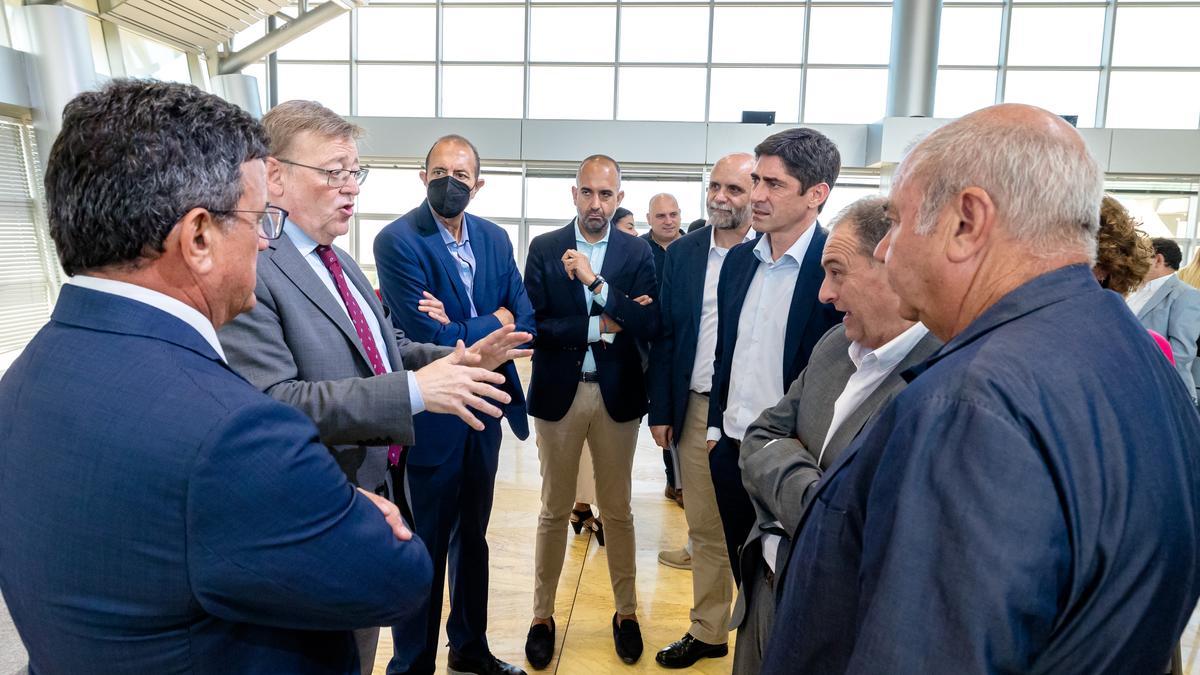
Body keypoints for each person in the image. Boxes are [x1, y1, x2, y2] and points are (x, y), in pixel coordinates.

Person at [0, 79, 433, 674]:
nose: (264, 239)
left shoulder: (24, 379)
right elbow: (399, 579)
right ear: (199, 237)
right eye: (256, 220)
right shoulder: (231, 433)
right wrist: (352, 515)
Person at [762, 103, 1200, 674]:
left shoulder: (971, 406)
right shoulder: (1133, 354)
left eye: (896, 221)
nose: (888, 250)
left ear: (967, 222)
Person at [217, 102, 529, 674]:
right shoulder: (258, 268)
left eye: (354, 173)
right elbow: (275, 401)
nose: (349, 188)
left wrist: (459, 356)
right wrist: (414, 389)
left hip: (373, 493)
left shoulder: (337, 260)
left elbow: (387, 350)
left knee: (355, 648)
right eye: (333, 172)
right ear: (276, 175)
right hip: (317, 508)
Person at [730, 196, 941, 674]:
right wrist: (820, 487)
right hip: (763, 593)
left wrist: (789, 470)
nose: (824, 293)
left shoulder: (937, 380)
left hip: (832, 629)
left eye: (836, 272)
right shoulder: (835, 346)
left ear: (890, 265)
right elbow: (761, 435)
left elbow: (865, 526)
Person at [372, 134, 534, 675]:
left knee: (475, 538)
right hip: (432, 416)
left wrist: (467, 326)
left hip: (484, 410)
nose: (450, 182)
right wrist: (495, 322)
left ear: (478, 184)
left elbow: (525, 320)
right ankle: (412, 663)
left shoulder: (492, 238)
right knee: (426, 542)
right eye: (439, 172)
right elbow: (421, 332)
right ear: (423, 177)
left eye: (461, 175)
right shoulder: (397, 240)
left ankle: (469, 648)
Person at [522, 155, 660, 669]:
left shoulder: (636, 250)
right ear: (573, 194)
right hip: (560, 395)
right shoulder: (544, 248)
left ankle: (626, 612)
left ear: (619, 197)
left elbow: (648, 323)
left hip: (617, 396)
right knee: (554, 511)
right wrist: (598, 327)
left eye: (607, 194)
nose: (596, 203)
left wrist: (599, 286)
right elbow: (534, 326)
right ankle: (541, 616)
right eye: (588, 193)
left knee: (618, 511)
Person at [705, 128, 844, 585]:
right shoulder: (739, 263)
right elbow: (725, 355)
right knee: (745, 581)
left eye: (774, 184)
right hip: (730, 452)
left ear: (816, 194)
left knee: (792, 587)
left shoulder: (834, 268)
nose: (757, 196)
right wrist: (714, 428)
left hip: (795, 463)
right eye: (757, 181)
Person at [645, 152, 757, 668]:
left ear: (756, 192)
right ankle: (709, 629)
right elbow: (667, 335)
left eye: (733, 189)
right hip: (694, 406)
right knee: (706, 528)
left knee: (766, 528)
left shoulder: (771, 253)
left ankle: (764, 635)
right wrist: (662, 410)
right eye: (714, 187)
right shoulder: (685, 254)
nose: (719, 198)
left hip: (762, 414)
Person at [1126, 237, 1200, 401]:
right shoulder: (1133, 290)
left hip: (1163, 390)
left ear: (1158, 260)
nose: (1132, 262)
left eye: (1139, 257)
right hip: (1130, 384)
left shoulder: (1186, 294)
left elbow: (1180, 353)